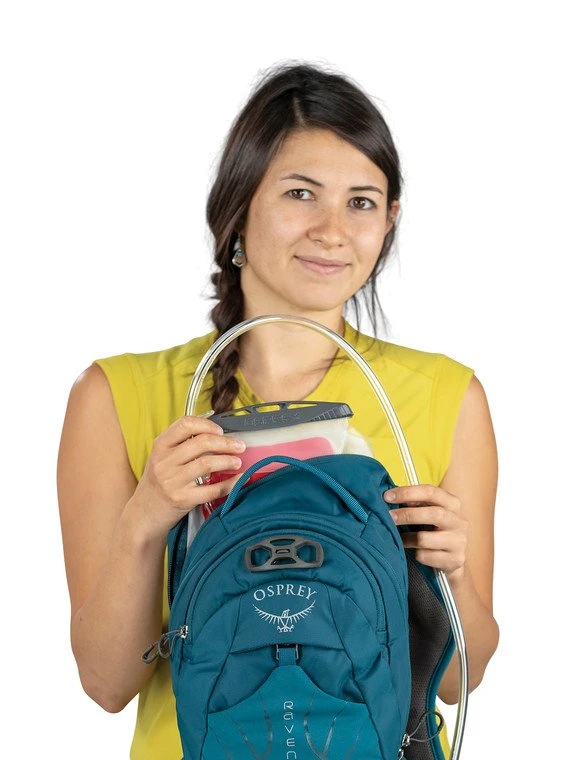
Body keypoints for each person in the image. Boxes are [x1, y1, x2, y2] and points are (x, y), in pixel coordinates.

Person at [57, 61, 499, 759]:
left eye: (361, 202)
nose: (332, 230)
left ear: (389, 221)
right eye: (300, 193)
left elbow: (457, 682)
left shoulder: (447, 396)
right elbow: (107, 684)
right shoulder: (116, 396)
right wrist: (146, 519)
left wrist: (453, 574)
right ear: (238, 206)